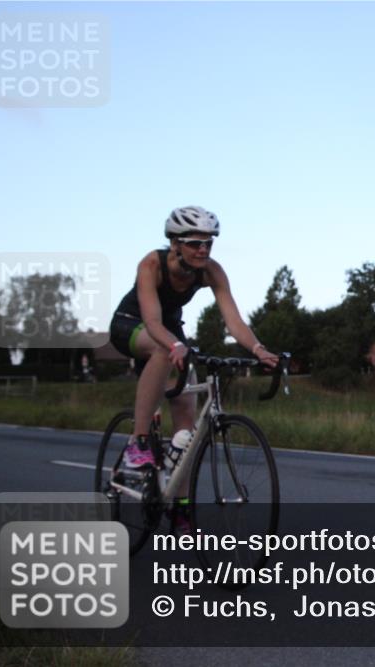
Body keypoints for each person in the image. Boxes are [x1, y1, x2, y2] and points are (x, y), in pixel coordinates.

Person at [109, 206, 278, 528]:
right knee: (162, 349)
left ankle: (181, 505)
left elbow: (233, 320)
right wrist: (174, 345)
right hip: (131, 325)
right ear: (175, 243)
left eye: (208, 243)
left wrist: (258, 349)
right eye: (193, 243)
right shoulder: (151, 264)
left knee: (187, 427)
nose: (203, 249)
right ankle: (139, 442)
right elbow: (153, 321)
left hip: (172, 332)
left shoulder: (211, 271)